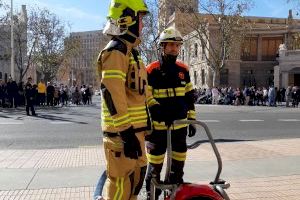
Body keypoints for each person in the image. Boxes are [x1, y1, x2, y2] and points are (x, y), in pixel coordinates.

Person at [94, 0, 158, 199]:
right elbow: (112, 92)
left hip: (135, 134)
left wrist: (155, 108)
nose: (143, 25)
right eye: (140, 19)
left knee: (135, 182)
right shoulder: (116, 51)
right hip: (122, 135)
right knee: (122, 184)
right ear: (126, 19)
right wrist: (125, 132)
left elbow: (142, 90)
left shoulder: (133, 54)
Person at [145, 27, 196, 200]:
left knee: (177, 169)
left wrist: (192, 119)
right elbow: (146, 96)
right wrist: (158, 111)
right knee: (154, 170)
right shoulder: (151, 70)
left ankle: (174, 196)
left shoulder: (184, 69)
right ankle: (152, 196)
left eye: (177, 45)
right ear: (162, 47)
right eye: (170, 45)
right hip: (157, 130)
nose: (174, 48)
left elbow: (189, 96)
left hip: (179, 128)